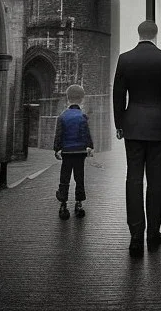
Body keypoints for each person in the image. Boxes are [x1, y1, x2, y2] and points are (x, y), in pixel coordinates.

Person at [113, 19, 161, 256]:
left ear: (138, 33)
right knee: (156, 180)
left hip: (133, 125)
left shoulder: (125, 58)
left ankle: (135, 236)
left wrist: (119, 124)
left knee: (133, 180)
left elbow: (118, 94)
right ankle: (153, 233)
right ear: (156, 34)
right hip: (157, 127)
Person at [53, 84, 94, 220]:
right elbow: (86, 135)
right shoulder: (83, 117)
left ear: (67, 99)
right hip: (79, 153)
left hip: (67, 153)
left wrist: (57, 149)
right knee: (79, 178)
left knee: (64, 178)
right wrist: (89, 147)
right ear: (82, 99)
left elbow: (58, 135)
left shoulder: (62, 117)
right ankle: (79, 204)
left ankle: (63, 205)